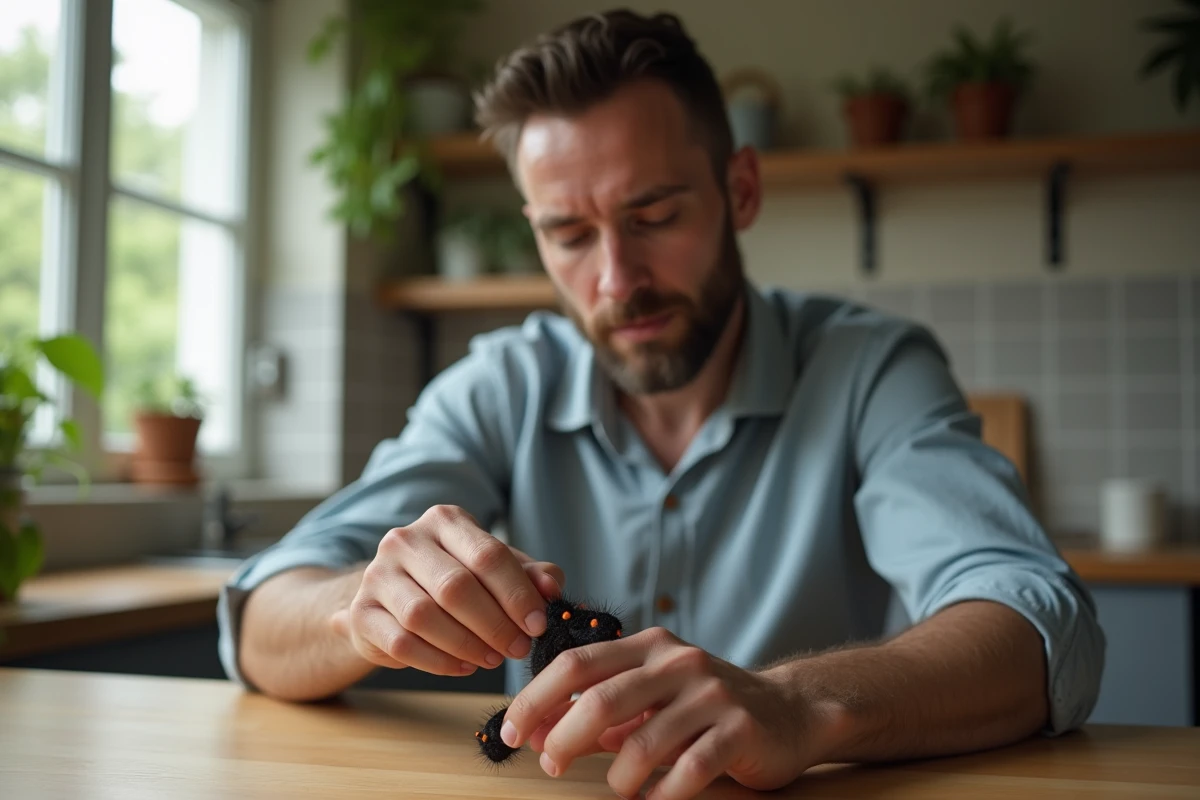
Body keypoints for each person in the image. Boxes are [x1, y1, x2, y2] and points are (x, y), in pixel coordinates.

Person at [217, 9, 1104, 799]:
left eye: (654, 215)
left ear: (741, 191)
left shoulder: (872, 369)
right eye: (568, 233)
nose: (615, 280)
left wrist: (797, 704)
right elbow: (260, 621)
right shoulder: (498, 385)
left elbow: (1036, 622)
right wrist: (361, 611)